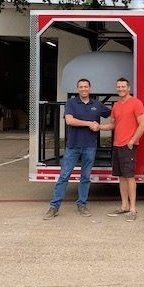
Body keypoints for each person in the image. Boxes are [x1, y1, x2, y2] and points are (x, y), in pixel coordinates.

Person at [43, 79, 111, 220]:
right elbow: (69, 120)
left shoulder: (97, 105)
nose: (83, 89)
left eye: (86, 87)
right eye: (81, 87)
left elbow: (112, 114)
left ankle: (82, 204)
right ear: (77, 89)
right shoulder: (71, 103)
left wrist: (102, 126)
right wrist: (89, 124)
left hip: (90, 147)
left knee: (85, 177)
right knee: (64, 176)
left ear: (90, 88)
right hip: (73, 146)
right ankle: (54, 207)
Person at [100, 77, 144, 221]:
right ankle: (124, 206)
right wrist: (99, 127)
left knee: (129, 177)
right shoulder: (116, 105)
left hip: (128, 146)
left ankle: (133, 209)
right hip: (117, 145)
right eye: (118, 87)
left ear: (129, 88)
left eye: (123, 86)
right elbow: (113, 125)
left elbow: (143, 124)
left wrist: (132, 140)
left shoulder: (136, 103)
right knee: (121, 177)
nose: (120, 89)